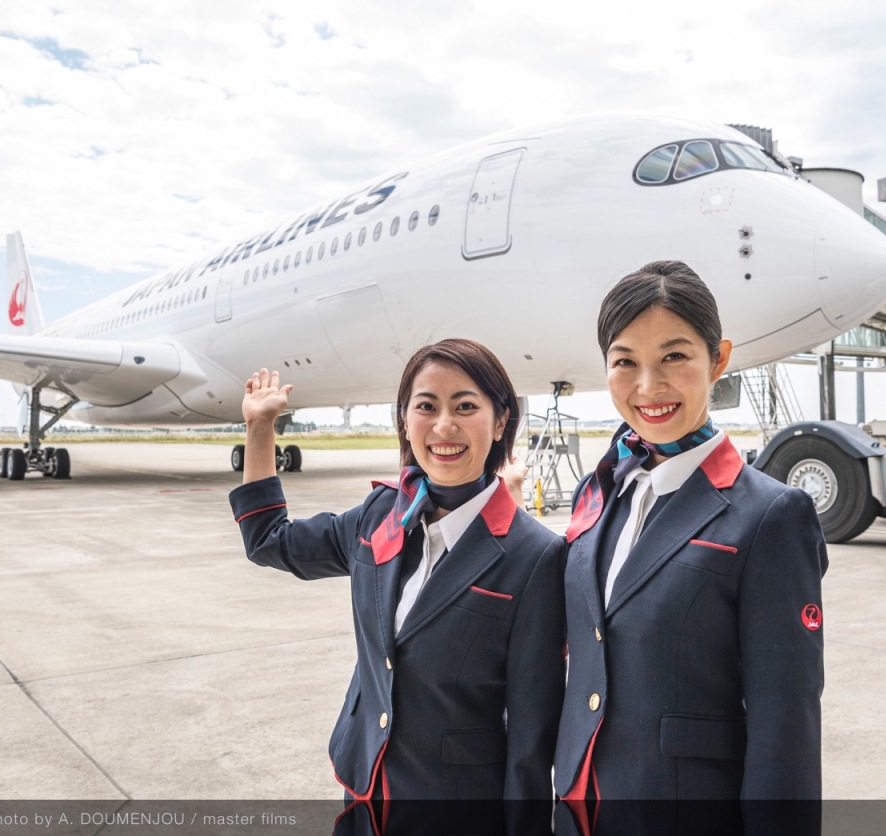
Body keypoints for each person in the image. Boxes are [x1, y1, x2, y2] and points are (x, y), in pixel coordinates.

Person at [228, 339, 566, 834]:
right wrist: (260, 428)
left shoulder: (535, 555)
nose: (443, 426)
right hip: (364, 788)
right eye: (426, 406)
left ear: (500, 422)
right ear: (404, 421)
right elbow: (268, 541)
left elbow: (531, 737)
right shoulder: (378, 516)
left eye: (465, 407)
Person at [553, 261, 828, 835]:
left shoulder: (770, 514)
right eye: (625, 362)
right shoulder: (599, 491)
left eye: (674, 356)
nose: (648, 387)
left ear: (718, 359)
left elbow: (785, 724)